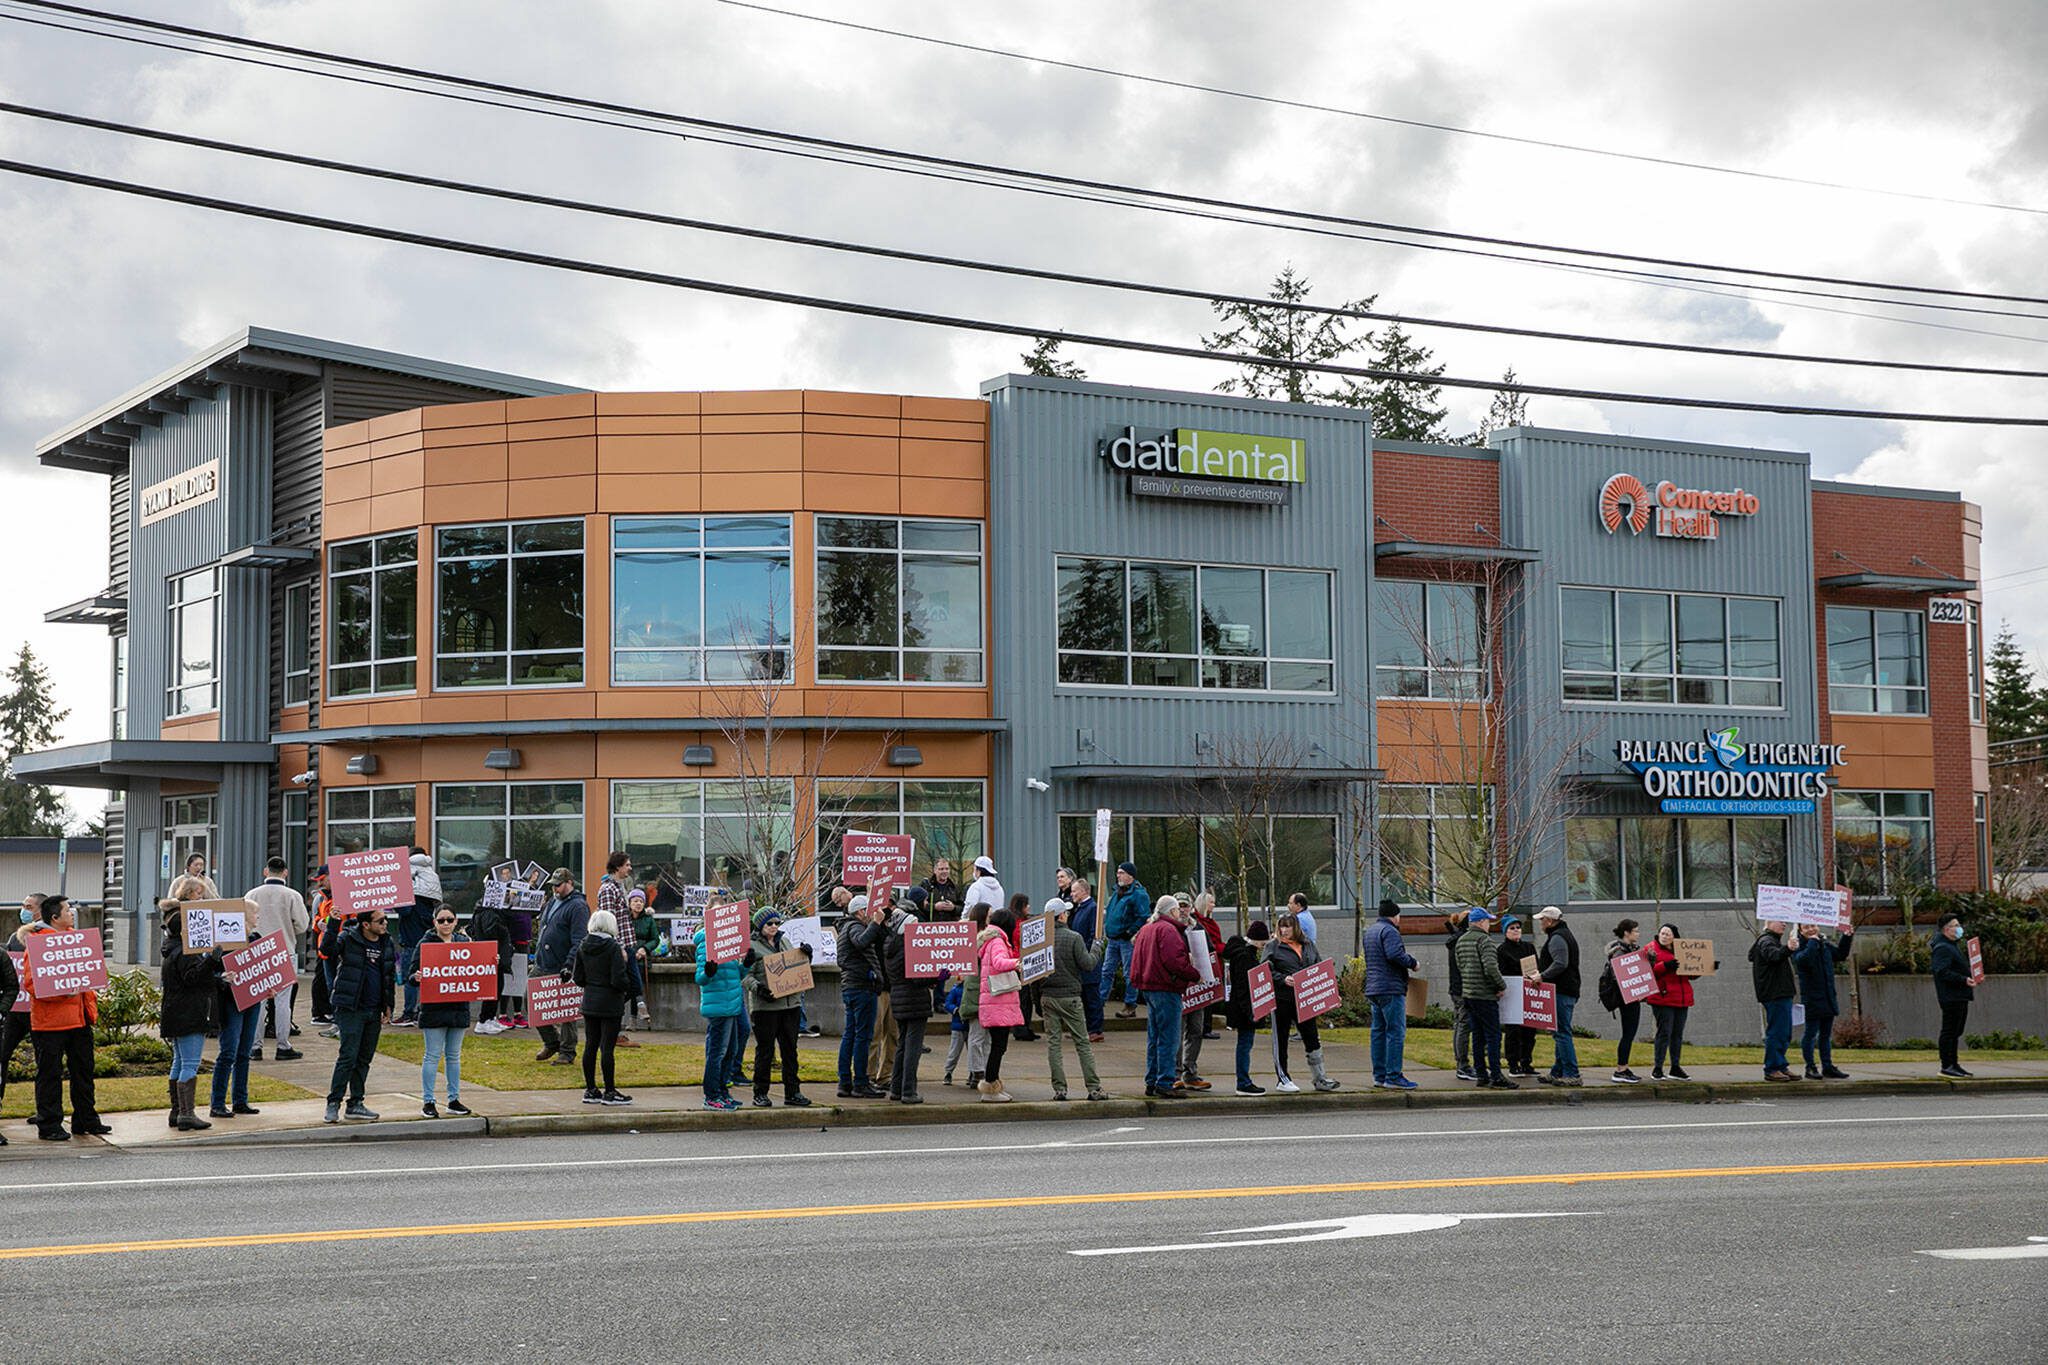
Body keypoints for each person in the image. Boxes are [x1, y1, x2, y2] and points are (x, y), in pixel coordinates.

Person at [23, 896, 108, 1141]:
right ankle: (49, 1124)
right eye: (68, 910)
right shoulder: (37, 944)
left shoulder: (76, 940)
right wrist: (64, 990)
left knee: (84, 1071)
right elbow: (32, 984)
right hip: (50, 1023)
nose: (72, 914)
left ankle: (86, 1119)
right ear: (55, 917)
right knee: (50, 1075)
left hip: (79, 1019)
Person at [320, 904, 397, 1123]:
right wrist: (333, 924)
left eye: (385, 920)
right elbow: (327, 951)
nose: (385, 924)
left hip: (374, 1010)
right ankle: (333, 1102)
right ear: (366, 924)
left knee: (364, 1058)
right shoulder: (348, 938)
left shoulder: (386, 942)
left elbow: (388, 977)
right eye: (380, 921)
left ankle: (356, 1103)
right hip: (350, 1007)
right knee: (348, 1057)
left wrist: (388, 1005)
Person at [158, 899, 219, 1132]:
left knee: (179, 1061)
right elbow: (192, 978)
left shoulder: (171, 948)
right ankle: (186, 1113)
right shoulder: (185, 951)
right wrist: (211, 961)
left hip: (175, 1012)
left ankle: (177, 1111)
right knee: (190, 1064)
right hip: (189, 1013)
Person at [410, 905, 475, 1118]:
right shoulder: (425, 944)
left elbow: (477, 969)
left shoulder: (465, 944)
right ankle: (428, 1101)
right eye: (441, 920)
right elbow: (411, 974)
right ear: (434, 923)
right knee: (432, 1055)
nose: (446, 924)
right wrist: (416, 977)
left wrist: (492, 963)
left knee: (454, 1056)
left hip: (458, 1006)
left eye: (449, 919)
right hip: (434, 1008)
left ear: (456, 921)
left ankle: (453, 1100)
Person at [746, 908, 814, 1108]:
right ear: (760, 925)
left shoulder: (784, 941)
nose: (774, 926)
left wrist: (806, 956)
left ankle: (793, 1092)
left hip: (790, 1004)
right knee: (765, 1051)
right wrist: (758, 988)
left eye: (777, 923)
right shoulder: (751, 947)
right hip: (765, 1007)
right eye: (770, 923)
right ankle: (760, 1092)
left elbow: (796, 967)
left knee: (790, 1051)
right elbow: (744, 974)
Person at [244, 856, 310, 1062]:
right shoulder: (292, 895)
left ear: (266, 871)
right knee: (283, 1001)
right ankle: (283, 1044)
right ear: (285, 872)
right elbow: (302, 924)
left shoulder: (252, 894)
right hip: (284, 949)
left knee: (258, 1001)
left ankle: (255, 1046)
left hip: (257, 951)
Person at [1041, 896, 1106, 1102]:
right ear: (1061, 916)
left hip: (1048, 996)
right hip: (1070, 996)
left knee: (1054, 1044)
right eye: (1066, 912)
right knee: (1082, 1043)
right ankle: (1094, 1088)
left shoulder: (1040, 939)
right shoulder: (1074, 937)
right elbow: (1087, 964)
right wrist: (1097, 947)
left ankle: (1059, 1089)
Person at [1265, 911, 1337, 1094]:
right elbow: (1264, 970)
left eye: (1288, 926)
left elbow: (1319, 969)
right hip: (1282, 1000)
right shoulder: (1273, 946)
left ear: (1295, 927)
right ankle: (1283, 1078)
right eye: (1281, 926)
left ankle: (1320, 1077)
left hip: (1305, 1001)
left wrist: (1330, 993)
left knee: (1312, 1038)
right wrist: (1282, 979)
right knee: (1281, 1040)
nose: (1284, 930)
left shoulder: (1308, 945)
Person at [572, 908, 634, 1106]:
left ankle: (590, 1089)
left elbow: (578, 977)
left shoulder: (583, 946)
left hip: (590, 1001)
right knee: (607, 1048)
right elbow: (618, 979)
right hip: (610, 1002)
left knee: (590, 1045)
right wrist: (627, 986)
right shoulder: (613, 947)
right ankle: (610, 1091)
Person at [1362, 897, 1420, 1090]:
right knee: (1395, 1032)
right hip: (1391, 987)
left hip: (1373, 988)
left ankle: (1379, 1075)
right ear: (1395, 916)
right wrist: (1412, 962)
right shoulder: (1390, 931)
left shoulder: (1370, 931)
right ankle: (1393, 1076)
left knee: (1378, 1032)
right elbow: (1394, 954)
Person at [1455, 905, 1515, 1090]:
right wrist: (1500, 985)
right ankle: (1496, 1075)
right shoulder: (1485, 940)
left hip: (1469, 994)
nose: (1489, 924)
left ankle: (1481, 1074)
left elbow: (1460, 966)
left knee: (1477, 1036)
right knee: (1493, 1036)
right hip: (1485, 995)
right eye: (1488, 920)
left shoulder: (1461, 941)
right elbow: (1490, 967)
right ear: (1481, 922)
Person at [531, 869, 587, 1060]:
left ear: (570, 882)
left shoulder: (578, 906)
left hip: (562, 964)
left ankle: (567, 1051)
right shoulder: (553, 901)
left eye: (558, 884)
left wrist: (569, 965)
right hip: (543, 962)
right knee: (531, 1002)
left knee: (566, 1010)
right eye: (553, 884)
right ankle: (552, 1042)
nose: (555, 888)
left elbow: (579, 939)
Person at [836, 892, 888, 1099]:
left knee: (850, 1035)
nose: (873, 914)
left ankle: (845, 1081)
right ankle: (860, 1082)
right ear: (860, 912)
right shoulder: (855, 927)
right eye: (869, 910)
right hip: (861, 988)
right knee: (862, 1037)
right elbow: (862, 942)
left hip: (852, 988)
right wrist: (875, 923)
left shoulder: (846, 926)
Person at [694, 922, 748, 1111]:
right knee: (717, 1053)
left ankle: (723, 1092)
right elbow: (700, 978)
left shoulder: (729, 945)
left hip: (732, 1004)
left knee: (730, 1051)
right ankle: (712, 1095)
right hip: (717, 1005)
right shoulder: (705, 945)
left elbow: (736, 975)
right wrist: (709, 972)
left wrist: (746, 964)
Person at [880, 894, 929, 1103]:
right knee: (912, 1048)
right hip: (914, 999)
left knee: (902, 1045)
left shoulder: (890, 944)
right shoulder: (909, 947)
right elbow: (918, 978)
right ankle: (909, 1091)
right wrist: (938, 976)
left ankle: (897, 1089)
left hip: (899, 998)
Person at [974, 903, 1025, 1102]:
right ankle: (990, 1086)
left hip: (993, 1001)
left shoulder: (990, 939)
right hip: (999, 1001)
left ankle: (992, 1084)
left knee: (997, 1045)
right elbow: (999, 963)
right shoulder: (997, 942)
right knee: (998, 1046)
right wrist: (1017, 963)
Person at [1, 895, 43, 1127]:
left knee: (43, 1061)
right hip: (15, 1011)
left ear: (41, 911)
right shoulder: (14, 939)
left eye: (29, 907)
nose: (23, 911)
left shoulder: (47, 938)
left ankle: (43, 1111)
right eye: (23, 906)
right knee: (2, 1057)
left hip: (37, 1011)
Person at [1793, 921, 1855, 1080]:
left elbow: (1840, 954)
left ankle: (1827, 1066)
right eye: (1806, 927)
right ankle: (1810, 1067)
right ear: (1800, 930)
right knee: (1811, 1034)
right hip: (1812, 998)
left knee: (1826, 1035)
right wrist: (1813, 942)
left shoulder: (1824, 944)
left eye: (1813, 926)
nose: (1811, 929)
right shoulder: (1798, 946)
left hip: (1827, 996)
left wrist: (1847, 937)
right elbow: (1804, 960)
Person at [1534, 905, 1582, 1087]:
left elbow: (1560, 963)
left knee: (1562, 1033)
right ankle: (1558, 1071)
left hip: (1562, 991)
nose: (1540, 923)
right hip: (1566, 990)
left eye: (1542, 920)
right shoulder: (1563, 934)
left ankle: (1572, 1073)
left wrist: (1542, 976)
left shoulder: (1557, 938)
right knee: (1559, 1032)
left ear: (1550, 921)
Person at [393, 847, 441, 1027]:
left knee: (410, 978)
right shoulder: (430, 877)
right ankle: (423, 1011)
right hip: (427, 938)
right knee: (426, 978)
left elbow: (405, 910)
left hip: (411, 939)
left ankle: (408, 1014)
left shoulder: (411, 880)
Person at [1222, 919, 1269, 1096]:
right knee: (1244, 1044)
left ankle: (1243, 1080)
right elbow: (1244, 987)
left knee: (1244, 1044)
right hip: (1245, 1008)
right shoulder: (1246, 957)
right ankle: (1243, 1082)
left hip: (1239, 1006)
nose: (1263, 946)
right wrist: (1251, 1012)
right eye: (1263, 943)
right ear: (1256, 940)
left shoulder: (1238, 952)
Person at [1100, 861, 1151, 1019]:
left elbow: (1143, 917)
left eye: (1121, 872)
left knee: (1130, 973)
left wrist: (1130, 931)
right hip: (1113, 939)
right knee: (1106, 971)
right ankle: (1099, 1001)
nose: (1118, 875)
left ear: (1130, 876)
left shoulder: (1139, 894)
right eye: (1118, 872)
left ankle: (1130, 1004)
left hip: (1126, 940)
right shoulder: (1117, 892)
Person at [1644, 923, 1694, 1080]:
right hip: (1662, 997)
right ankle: (1658, 1068)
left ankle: (1675, 1067)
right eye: (1662, 933)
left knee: (1677, 1034)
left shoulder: (1683, 950)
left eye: (1668, 934)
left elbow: (1690, 974)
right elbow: (1647, 972)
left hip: (1681, 997)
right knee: (1664, 1032)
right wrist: (1665, 966)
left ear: (1674, 937)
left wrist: (1706, 967)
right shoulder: (1650, 949)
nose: (1664, 936)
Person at [1749, 918, 1797, 1082]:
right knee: (1777, 1031)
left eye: (1785, 921)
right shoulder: (1766, 941)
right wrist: (1788, 949)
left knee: (1784, 1032)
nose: (1784, 923)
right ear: (1768, 923)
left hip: (1781, 993)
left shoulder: (1772, 941)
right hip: (1775, 994)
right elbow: (1773, 956)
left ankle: (1780, 1065)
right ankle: (1772, 1067)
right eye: (1779, 921)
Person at [1930, 913, 1976, 1078]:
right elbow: (1941, 972)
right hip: (1951, 996)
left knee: (1956, 1031)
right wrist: (1963, 980)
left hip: (1959, 995)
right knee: (1950, 1030)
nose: (1959, 928)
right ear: (1946, 929)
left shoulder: (1951, 945)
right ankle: (1947, 1064)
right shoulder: (1943, 948)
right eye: (1955, 925)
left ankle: (1954, 1063)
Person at [1603, 918, 1644, 1085]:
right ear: (1627, 933)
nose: (1638, 934)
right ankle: (1620, 1069)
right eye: (1635, 931)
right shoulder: (1621, 952)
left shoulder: (1628, 950)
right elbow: (1619, 976)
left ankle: (1624, 1068)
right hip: (1627, 999)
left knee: (1629, 1033)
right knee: (1628, 1033)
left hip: (1630, 997)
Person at [1497, 915, 1538, 1077]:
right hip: (1512, 993)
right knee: (1513, 1030)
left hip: (1528, 991)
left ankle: (1526, 1061)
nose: (1516, 930)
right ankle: (1513, 1063)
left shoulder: (1528, 947)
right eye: (1512, 928)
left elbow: (1536, 966)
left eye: (1518, 927)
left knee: (1529, 1030)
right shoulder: (1502, 950)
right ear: (1505, 931)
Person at [1066, 876, 1105, 1040]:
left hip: (1088, 959)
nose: (1072, 894)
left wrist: (1084, 953)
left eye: (1074, 891)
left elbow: (1092, 935)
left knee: (1092, 996)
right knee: (1083, 996)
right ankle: (1084, 1028)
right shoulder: (1079, 909)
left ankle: (1095, 1029)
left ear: (1084, 891)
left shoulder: (1092, 909)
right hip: (1079, 959)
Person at [1446, 908, 1475, 1080]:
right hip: (1463, 988)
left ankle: (1460, 1061)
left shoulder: (1454, 940)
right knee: (1464, 1024)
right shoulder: (1462, 941)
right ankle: (1463, 1064)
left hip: (1456, 987)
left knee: (1459, 1024)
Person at [308, 868, 334, 1024]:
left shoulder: (326, 896)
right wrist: (319, 923)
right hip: (324, 942)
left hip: (331, 940)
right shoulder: (321, 897)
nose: (320, 883)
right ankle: (319, 1011)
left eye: (322, 879)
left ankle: (325, 1010)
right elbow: (316, 920)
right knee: (322, 976)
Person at [629, 891, 659, 1024]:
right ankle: (639, 1005)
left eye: (641, 901)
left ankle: (633, 1018)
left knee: (637, 980)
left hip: (642, 958)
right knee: (632, 984)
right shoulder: (625, 919)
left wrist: (644, 949)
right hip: (628, 955)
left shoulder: (648, 919)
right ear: (629, 903)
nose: (638, 904)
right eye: (635, 901)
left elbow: (655, 939)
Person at [963, 855, 1005, 920]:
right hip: (997, 925)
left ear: (978, 871)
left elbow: (970, 906)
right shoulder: (999, 887)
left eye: (974, 869)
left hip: (980, 926)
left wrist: (964, 918)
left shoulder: (976, 887)